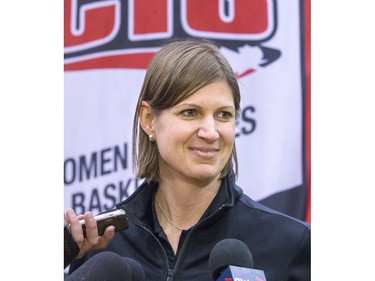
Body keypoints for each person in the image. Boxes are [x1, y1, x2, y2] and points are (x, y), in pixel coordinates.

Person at [65, 38, 311, 281]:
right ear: (149, 119)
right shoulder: (106, 245)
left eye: (223, 115)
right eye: (190, 113)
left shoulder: (291, 244)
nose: (210, 132)